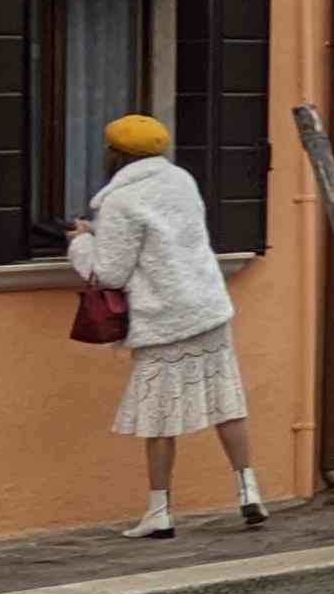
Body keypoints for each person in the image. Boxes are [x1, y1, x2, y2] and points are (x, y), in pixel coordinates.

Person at [66, 116, 263, 539]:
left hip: (163, 318)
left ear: (113, 154)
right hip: (208, 307)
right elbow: (166, 238)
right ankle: (249, 490)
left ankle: (160, 510)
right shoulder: (181, 181)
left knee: (159, 418)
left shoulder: (119, 201)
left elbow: (110, 272)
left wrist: (82, 242)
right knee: (227, 401)